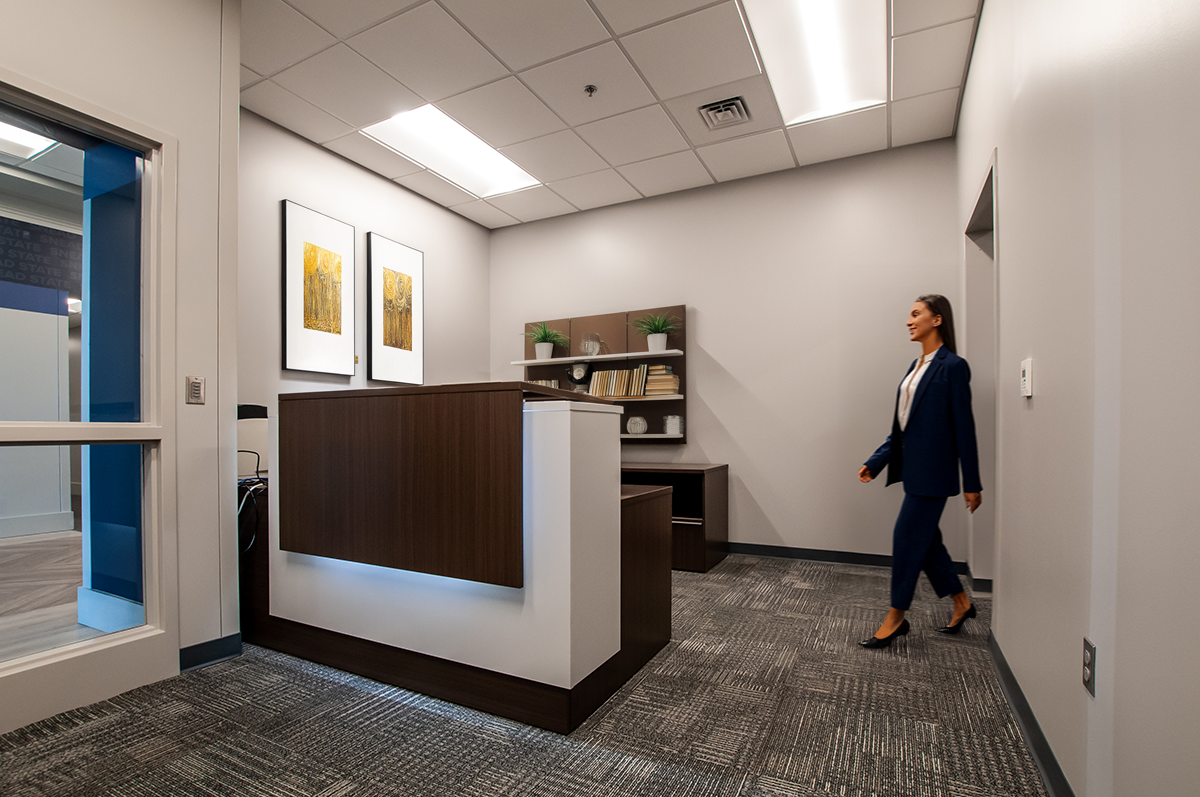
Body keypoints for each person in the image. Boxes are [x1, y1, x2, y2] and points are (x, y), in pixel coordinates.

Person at [857, 294, 982, 649]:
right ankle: (962, 602)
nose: (909, 321)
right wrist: (877, 460)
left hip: (935, 474)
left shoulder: (953, 366)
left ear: (937, 319)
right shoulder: (915, 368)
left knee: (907, 539)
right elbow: (902, 427)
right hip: (914, 471)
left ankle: (896, 618)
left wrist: (972, 482)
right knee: (927, 543)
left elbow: (964, 428)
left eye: (916, 314)